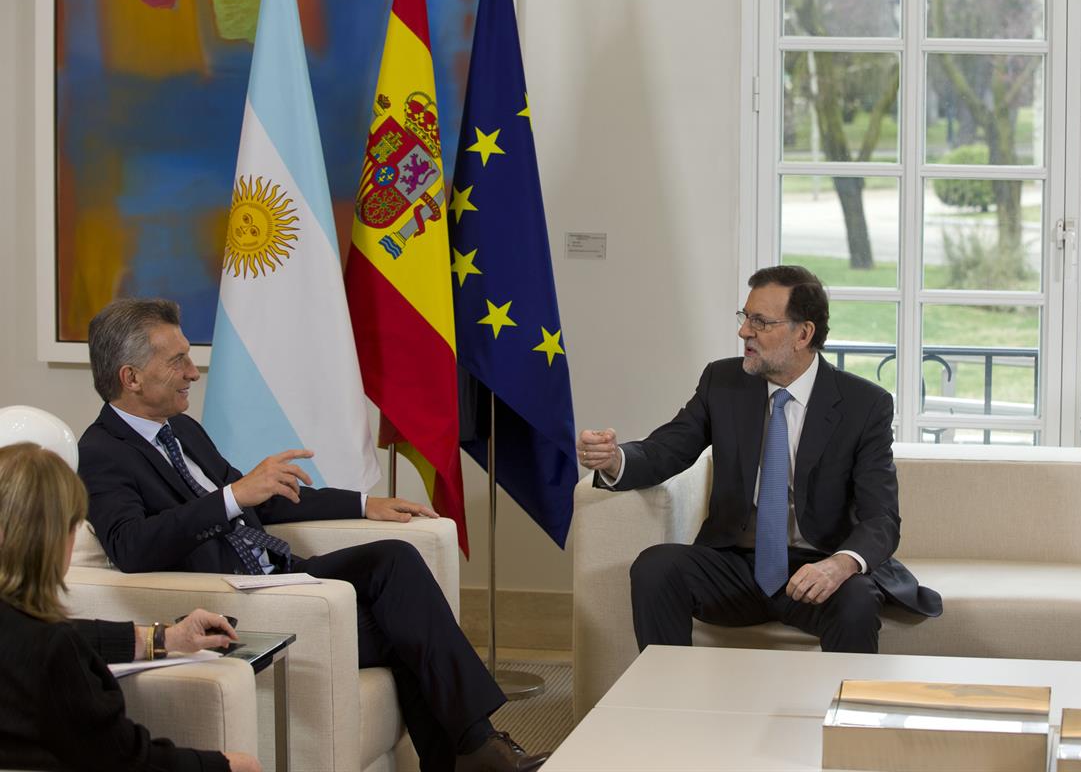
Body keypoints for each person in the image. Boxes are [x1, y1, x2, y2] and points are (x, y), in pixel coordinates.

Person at [77, 298, 546, 772]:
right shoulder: (100, 451)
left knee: (394, 559)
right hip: (238, 602)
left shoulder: (183, 430)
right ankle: (477, 749)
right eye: (176, 360)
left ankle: (470, 752)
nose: (192, 373)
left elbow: (265, 496)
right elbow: (131, 545)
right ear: (130, 377)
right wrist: (233, 495)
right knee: (405, 627)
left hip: (279, 575)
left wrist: (366, 505)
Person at [577, 265, 941, 655]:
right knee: (655, 568)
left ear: (803, 334)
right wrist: (614, 459)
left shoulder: (863, 405)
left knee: (855, 600)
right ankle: (669, 700)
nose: (744, 332)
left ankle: (842, 714)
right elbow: (667, 449)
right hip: (734, 564)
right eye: (745, 317)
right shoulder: (723, 382)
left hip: (817, 565)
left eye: (760, 322)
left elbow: (881, 518)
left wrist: (841, 564)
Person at [0, 442, 262, 772]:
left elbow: (63, 637)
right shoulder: (51, 651)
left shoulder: (34, 638)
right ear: (54, 538)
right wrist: (226, 765)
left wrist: (164, 638)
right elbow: (127, 760)